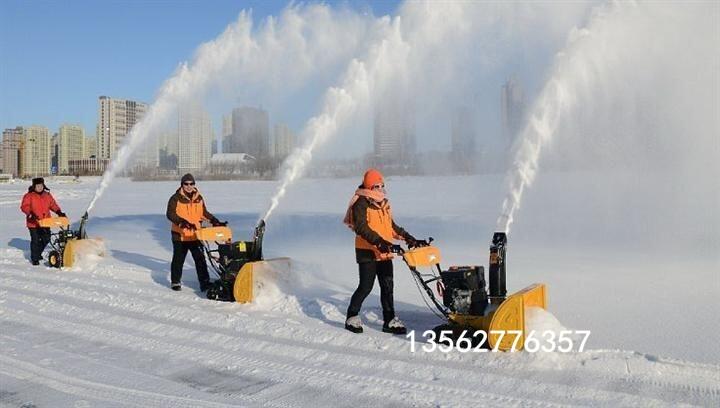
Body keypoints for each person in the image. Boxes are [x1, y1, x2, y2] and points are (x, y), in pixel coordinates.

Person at [343, 168, 420, 335]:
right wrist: (380, 242)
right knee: (365, 287)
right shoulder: (361, 203)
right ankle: (352, 316)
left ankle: (389, 320)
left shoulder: (384, 203)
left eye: (382, 185)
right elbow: (361, 228)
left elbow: (391, 227)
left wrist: (410, 238)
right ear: (370, 187)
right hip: (367, 251)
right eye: (377, 186)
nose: (380, 189)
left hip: (385, 251)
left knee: (387, 286)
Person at [165, 173, 225, 292]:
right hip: (180, 235)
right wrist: (181, 222)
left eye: (191, 183)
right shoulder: (175, 198)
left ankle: (204, 283)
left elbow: (204, 213)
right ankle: (175, 282)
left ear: (194, 185)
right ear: (182, 185)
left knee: (200, 259)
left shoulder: (199, 198)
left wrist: (214, 221)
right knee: (178, 260)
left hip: (195, 234)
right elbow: (170, 214)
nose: (189, 186)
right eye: (186, 184)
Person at [20, 178, 66, 265]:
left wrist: (59, 212)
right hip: (33, 223)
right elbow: (24, 206)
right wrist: (30, 213)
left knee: (46, 238)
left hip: (45, 222)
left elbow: (53, 205)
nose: (40, 188)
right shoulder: (29, 196)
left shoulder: (47, 195)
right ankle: (35, 259)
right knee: (35, 240)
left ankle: (37, 253)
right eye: (38, 186)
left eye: (41, 186)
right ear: (34, 186)